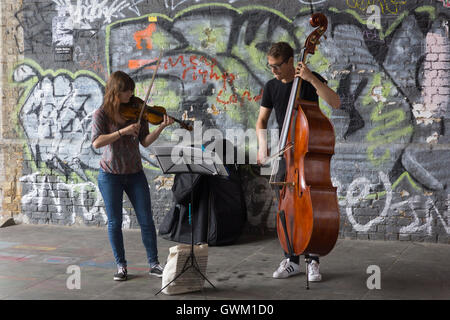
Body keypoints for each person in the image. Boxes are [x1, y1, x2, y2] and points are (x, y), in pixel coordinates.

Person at [256, 42, 340, 280]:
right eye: (270, 66)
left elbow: (335, 102)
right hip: (286, 154)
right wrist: (263, 145)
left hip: (305, 153)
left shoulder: (308, 81)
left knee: (310, 206)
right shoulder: (271, 86)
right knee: (285, 207)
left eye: (277, 66)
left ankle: (312, 259)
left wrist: (311, 78)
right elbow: (261, 121)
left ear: (291, 61)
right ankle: (290, 259)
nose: (273, 71)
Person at [91, 71, 174, 281]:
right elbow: (96, 142)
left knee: (146, 220)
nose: (131, 94)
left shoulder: (138, 110)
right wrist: (123, 132)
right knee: (115, 222)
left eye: (132, 90)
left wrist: (162, 126)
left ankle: (154, 264)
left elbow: (145, 141)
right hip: (110, 175)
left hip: (135, 173)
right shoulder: (101, 114)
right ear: (116, 91)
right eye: (127, 91)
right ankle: (121, 266)